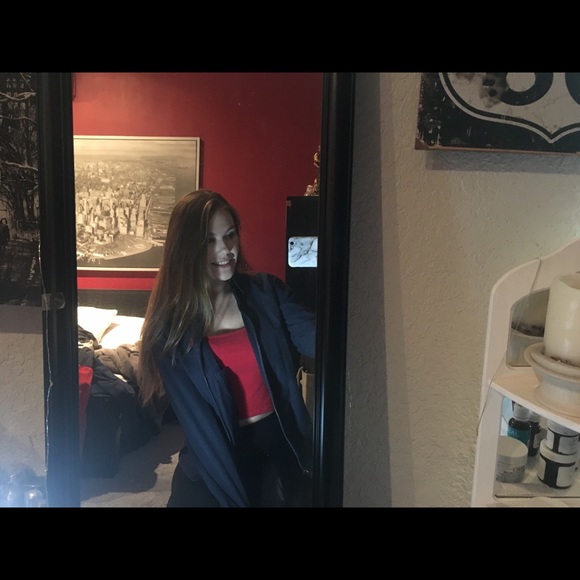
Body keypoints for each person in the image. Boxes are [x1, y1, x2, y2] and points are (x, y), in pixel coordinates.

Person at [138, 189, 316, 507]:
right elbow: (199, 425)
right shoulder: (171, 330)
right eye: (209, 240)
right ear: (186, 249)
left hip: (278, 445)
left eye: (230, 235)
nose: (225, 249)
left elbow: (319, 340)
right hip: (214, 454)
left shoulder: (267, 293)